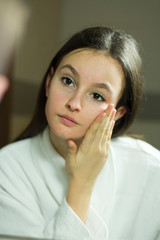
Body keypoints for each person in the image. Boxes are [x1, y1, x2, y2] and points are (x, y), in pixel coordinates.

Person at [0, 26, 160, 240]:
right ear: (49, 82)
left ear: (118, 113)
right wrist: (81, 185)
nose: (74, 103)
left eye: (97, 96)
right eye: (68, 81)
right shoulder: (8, 168)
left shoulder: (151, 169)